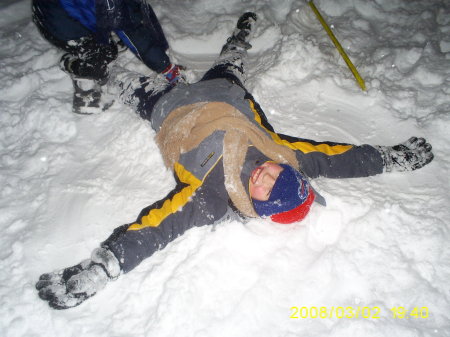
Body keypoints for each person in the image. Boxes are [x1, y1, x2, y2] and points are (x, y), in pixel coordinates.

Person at [35, 13, 434, 310]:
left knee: (128, 87)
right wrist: (391, 158)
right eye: (280, 173)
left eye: (266, 186)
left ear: (259, 205)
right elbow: (339, 159)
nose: (268, 171)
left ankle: (101, 71)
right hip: (225, 89)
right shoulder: (285, 154)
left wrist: (104, 268)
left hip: (169, 110)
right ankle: (242, 34)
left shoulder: (210, 199)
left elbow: (157, 227)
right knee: (233, 59)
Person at [32, 0, 183, 114]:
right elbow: (134, 33)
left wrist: (164, 52)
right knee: (99, 62)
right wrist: (165, 67)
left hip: (77, 14)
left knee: (110, 49)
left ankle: (101, 44)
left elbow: (144, 17)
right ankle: (71, 63)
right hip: (55, 22)